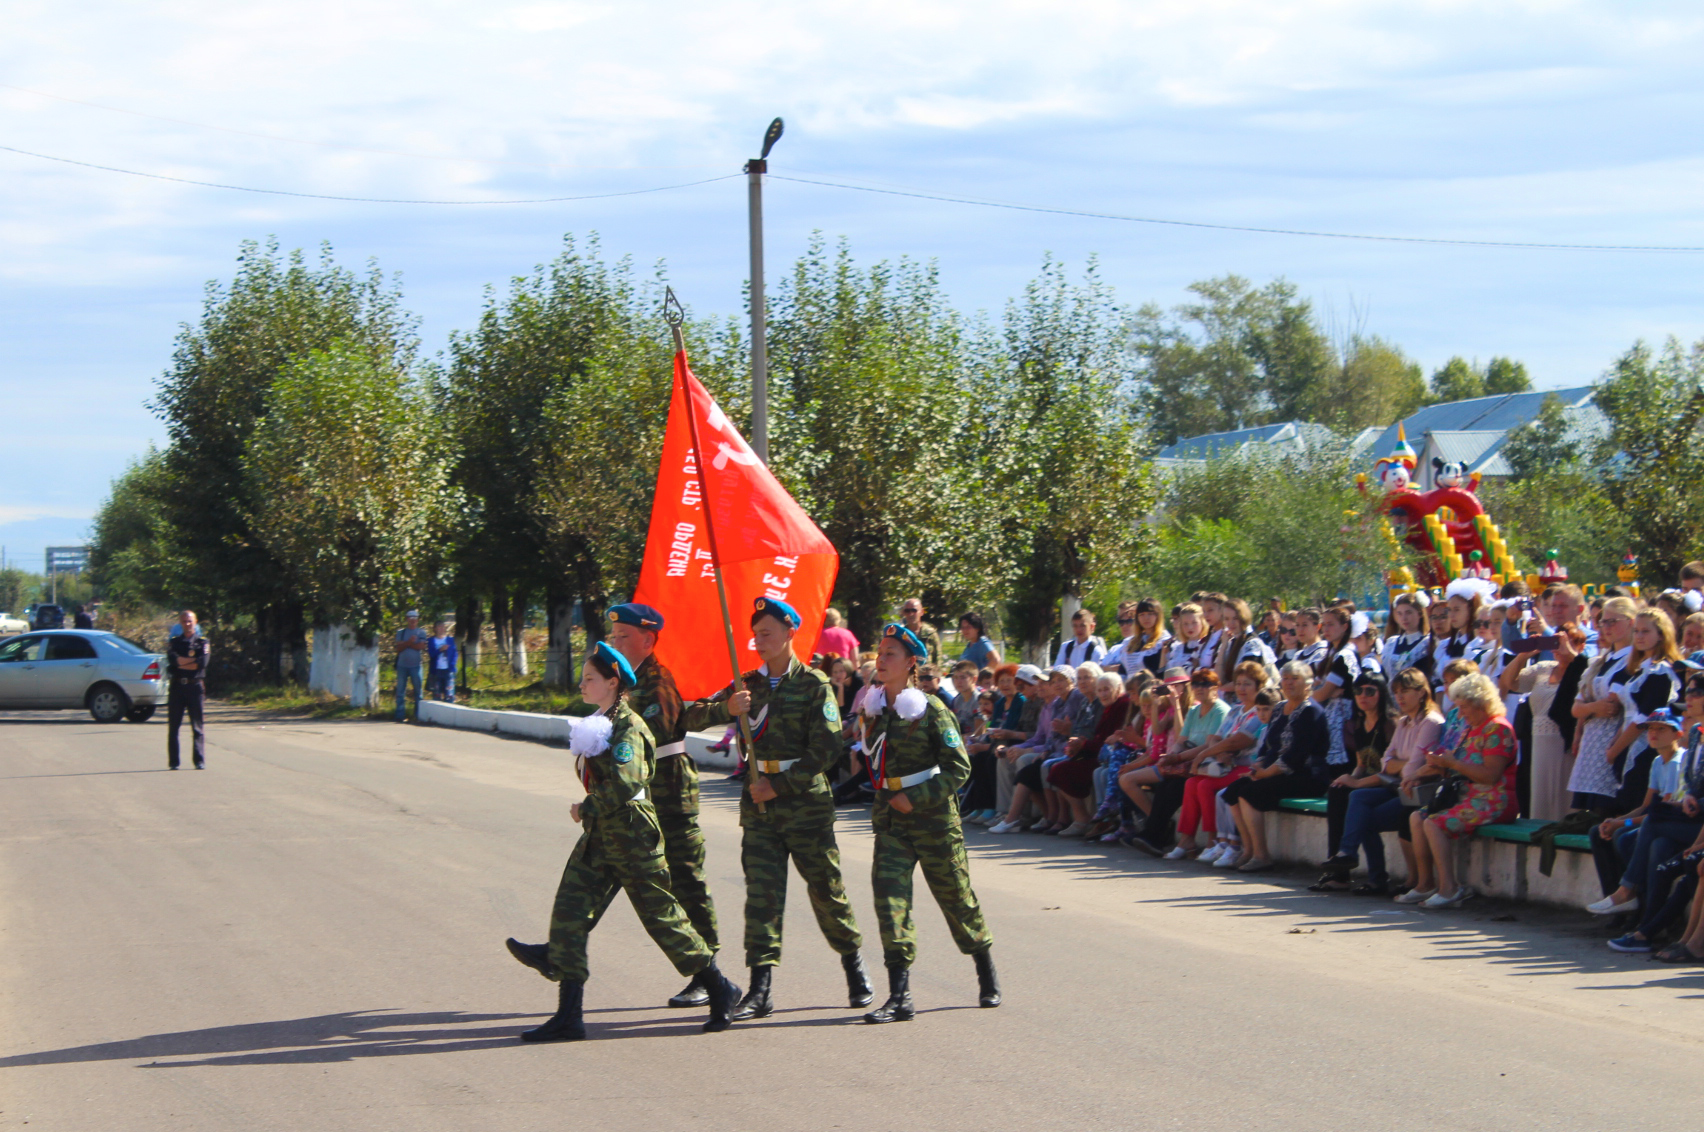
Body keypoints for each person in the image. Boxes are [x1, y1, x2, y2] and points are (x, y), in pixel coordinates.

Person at [503, 642, 740, 1041]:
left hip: (631, 831)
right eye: (582, 678)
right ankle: (569, 1016)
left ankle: (720, 987)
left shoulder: (629, 726)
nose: (582, 684)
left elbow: (629, 780)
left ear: (613, 683)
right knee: (571, 912)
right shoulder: (602, 720)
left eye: (590, 679)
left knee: (662, 918)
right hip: (603, 834)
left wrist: (589, 807)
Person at [681, 597, 872, 1021]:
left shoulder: (814, 684)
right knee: (762, 897)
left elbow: (826, 747)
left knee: (826, 890)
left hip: (804, 803)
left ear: (789, 634)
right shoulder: (746, 684)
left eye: (767, 632)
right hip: (760, 806)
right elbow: (689, 717)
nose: (758, 640)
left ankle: (854, 966)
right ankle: (760, 988)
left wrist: (780, 785)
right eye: (755, 633)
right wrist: (725, 709)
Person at [858, 622, 998, 1022]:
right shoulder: (873, 707)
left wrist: (915, 797)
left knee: (955, 898)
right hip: (890, 820)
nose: (881, 660)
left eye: (890, 655)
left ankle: (985, 969)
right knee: (890, 901)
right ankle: (900, 995)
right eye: (880, 653)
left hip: (933, 820)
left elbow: (959, 767)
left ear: (910, 663)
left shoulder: (931, 709)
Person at [609, 602, 722, 1008]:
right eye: (614, 636)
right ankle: (561, 951)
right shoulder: (624, 681)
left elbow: (648, 737)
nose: (615, 641)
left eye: (623, 636)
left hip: (671, 794)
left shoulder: (656, 683)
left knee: (686, 880)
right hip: (642, 797)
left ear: (647, 639)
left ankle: (708, 972)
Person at [1397, 672, 1517, 908]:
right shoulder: (1471, 728)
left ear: (1480, 703)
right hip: (1467, 796)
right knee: (1416, 817)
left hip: (1493, 800)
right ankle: (1425, 884)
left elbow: (1490, 776)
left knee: (1433, 823)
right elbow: (1456, 767)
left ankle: (1449, 888)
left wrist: (1453, 764)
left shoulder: (1497, 729)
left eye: (1463, 707)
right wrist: (1423, 772)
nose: (1460, 714)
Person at [1589, 709, 1704, 950]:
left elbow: (1658, 811)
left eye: (1661, 728)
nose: (1653, 733)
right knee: (1648, 842)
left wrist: (1624, 823)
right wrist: (1618, 820)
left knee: (1641, 833)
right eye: (1650, 728)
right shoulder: (1670, 753)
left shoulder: (1675, 762)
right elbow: (1649, 805)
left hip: (1692, 825)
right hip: (1688, 821)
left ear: (1676, 733)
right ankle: (1642, 923)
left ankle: (1630, 900)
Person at [1221, 662, 1330, 871]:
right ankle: (1249, 850)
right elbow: (1269, 746)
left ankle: (1262, 855)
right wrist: (1258, 766)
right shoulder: (1279, 708)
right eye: (1286, 678)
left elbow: (1296, 754)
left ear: (1308, 685)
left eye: (1295, 678)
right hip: (1276, 772)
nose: (1288, 683)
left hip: (1307, 775)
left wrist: (1266, 774)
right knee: (1234, 790)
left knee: (1250, 792)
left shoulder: (1311, 712)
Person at [1312, 673, 1397, 891]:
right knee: (1337, 790)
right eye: (1358, 691)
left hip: (1390, 785)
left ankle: (1354, 859)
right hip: (1371, 782)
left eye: (1370, 691)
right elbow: (1362, 763)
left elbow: (1390, 770)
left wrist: (1357, 783)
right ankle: (1339, 871)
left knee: (1359, 800)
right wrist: (1349, 778)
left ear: (1381, 694)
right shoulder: (1359, 724)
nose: (1363, 696)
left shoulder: (1390, 724)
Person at [1174, 662, 1266, 862]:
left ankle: (1215, 841)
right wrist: (1219, 752)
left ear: (1258, 686)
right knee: (1191, 783)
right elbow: (1216, 737)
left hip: (1245, 766)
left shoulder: (1259, 712)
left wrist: (1208, 753)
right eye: (1239, 684)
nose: (1241, 689)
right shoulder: (1235, 710)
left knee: (1206, 785)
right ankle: (1187, 839)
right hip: (1225, 764)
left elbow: (1238, 740)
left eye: (1247, 684)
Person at [1505, 621, 1588, 820]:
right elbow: (1509, 682)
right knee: (1540, 797)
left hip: (1567, 741)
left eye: (1569, 642)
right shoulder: (1543, 668)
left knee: (1565, 796)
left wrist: (1572, 655)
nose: (1559, 648)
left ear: (1581, 645)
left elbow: (1586, 682)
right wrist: (1524, 655)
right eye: (1556, 641)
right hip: (1538, 743)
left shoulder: (1586, 667)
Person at [1567, 596, 1639, 809]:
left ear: (1631, 622)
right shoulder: (1600, 662)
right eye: (1603, 622)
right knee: (1586, 810)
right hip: (1591, 741)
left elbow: (1613, 708)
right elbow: (1576, 708)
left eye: (1613, 621)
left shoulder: (1633, 661)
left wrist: (1589, 709)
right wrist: (1593, 709)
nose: (1606, 627)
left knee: (1605, 807)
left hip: (1613, 740)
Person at [166, 610, 209, 771]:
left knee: (197, 726)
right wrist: (190, 662)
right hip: (177, 686)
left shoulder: (202, 642)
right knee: (174, 727)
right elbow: (172, 660)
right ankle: (174, 762)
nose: (188, 624)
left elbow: (202, 662)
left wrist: (181, 662)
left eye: (190, 621)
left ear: (196, 622)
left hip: (195, 686)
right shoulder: (175, 642)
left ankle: (199, 761)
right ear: (180, 623)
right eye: (184, 621)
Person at [1382, 593, 1433, 678]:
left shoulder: (1427, 643)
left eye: (1408, 613)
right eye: (1399, 613)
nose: (1404, 618)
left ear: (1420, 614)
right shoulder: (1392, 643)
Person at [393, 610, 427, 722]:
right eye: (410, 618)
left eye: (415, 618)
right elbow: (398, 649)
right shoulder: (401, 633)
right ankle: (400, 715)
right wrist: (410, 642)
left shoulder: (421, 632)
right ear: (407, 619)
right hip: (402, 666)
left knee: (418, 691)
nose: (413, 621)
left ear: (418, 620)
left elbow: (420, 647)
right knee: (400, 691)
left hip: (416, 666)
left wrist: (406, 644)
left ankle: (418, 715)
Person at [898, 598, 943, 668]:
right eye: (907, 611)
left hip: (926, 675)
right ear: (903, 613)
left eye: (914, 610)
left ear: (922, 612)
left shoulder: (930, 633)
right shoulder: (900, 634)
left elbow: (937, 656)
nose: (910, 614)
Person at [425, 620, 457, 703]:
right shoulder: (431, 640)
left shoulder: (450, 640)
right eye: (439, 627)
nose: (442, 629)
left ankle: (449, 712)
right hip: (436, 670)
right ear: (435, 629)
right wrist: (440, 650)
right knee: (436, 695)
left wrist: (452, 664)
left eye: (443, 627)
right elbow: (431, 655)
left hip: (448, 670)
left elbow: (454, 654)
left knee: (449, 694)